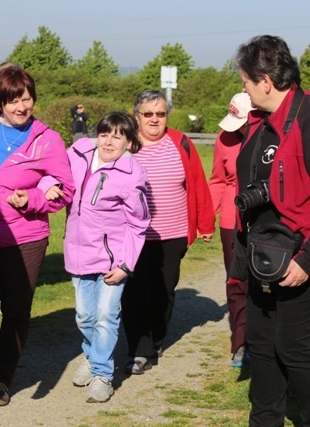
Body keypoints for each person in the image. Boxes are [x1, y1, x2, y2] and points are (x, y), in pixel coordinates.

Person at [231, 35, 310, 427]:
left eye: (245, 81)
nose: (242, 88)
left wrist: (308, 260)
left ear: (265, 81)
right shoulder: (264, 125)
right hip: (269, 253)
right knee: (262, 346)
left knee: (293, 346)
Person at [0, 66, 75, 407]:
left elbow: (66, 190)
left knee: (16, 310)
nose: (21, 107)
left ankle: (1, 376)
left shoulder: (48, 139)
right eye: (13, 100)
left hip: (26, 236)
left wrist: (35, 199)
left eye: (26, 99)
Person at [120, 90, 215, 375]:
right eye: (148, 114)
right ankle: (139, 350)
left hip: (173, 233)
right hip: (133, 236)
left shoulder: (181, 142)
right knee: (135, 292)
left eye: (160, 114)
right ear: (137, 116)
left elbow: (197, 184)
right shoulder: (126, 143)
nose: (154, 119)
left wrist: (205, 224)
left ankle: (158, 334)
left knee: (164, 290)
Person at [66, 112, 150, 403]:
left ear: (129, 142)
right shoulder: (77, 154)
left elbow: (138, 224)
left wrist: (126, 264)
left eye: (117, 136)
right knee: (84, 316)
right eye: (105, 134)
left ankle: (102, 374)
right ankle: (90, 356)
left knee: (105, 316)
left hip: (112, 261)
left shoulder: (131, 175)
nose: (109, 141)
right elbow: (53, 177)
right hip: (78, 253)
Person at [208, 92, 254, 367]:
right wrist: (206, 218)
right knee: (236, 281)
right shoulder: (224, 139)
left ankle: (266, 339)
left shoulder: (272, 136)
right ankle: (241, 343)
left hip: (265, 220)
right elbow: (217, 180)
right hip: (230, 219)